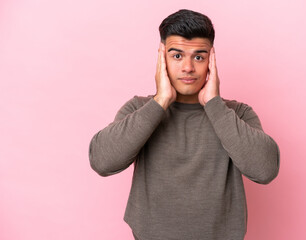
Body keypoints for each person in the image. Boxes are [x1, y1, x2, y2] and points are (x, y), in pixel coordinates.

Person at [89, 9, 280, 240]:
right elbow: (102, 161)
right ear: (162, 58)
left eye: (199, 57)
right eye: (177, 56)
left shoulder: (237, 113)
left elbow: (265, 169)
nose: (188, 68)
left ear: (211, 60)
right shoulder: (139, 109)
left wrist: (214, 104)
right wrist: (160, 101)